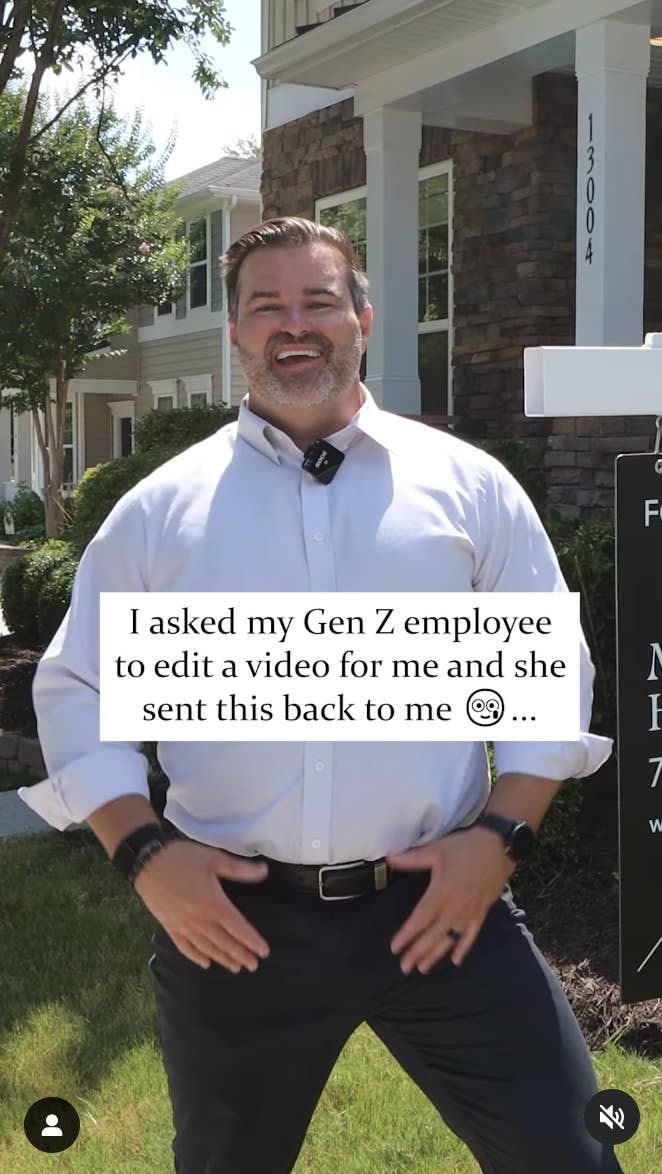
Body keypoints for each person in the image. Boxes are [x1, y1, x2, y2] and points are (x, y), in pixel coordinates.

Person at [20, 217, 621, 1174]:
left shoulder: (468, 488)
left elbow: (550, 679)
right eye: (267, 306)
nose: (293, 325)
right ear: (236, 332)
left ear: (363, 318)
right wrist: (142, 854)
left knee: (569, 1155)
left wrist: (500, 843)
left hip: (442, 905)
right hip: (233, 921)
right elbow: (79, 689)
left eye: (318, 301)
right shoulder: (161, 510)